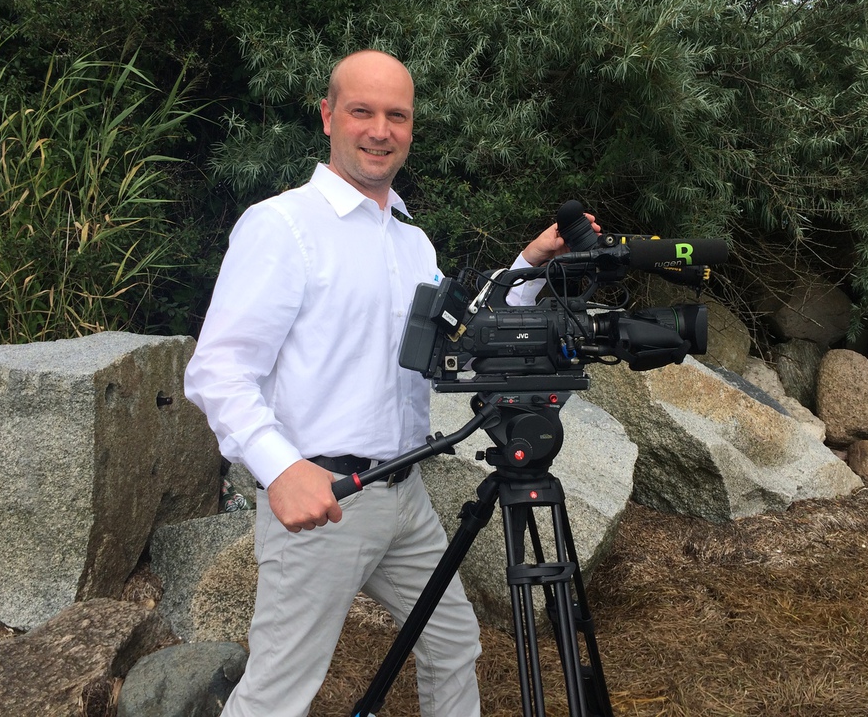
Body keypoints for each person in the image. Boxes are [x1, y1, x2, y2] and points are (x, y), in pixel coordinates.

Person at [185, 49, 597, 717]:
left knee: (453, 642)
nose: (380, 130)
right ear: (328, 116)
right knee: (278, 693)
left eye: (396, 116)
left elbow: (462, 330)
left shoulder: (410, 241)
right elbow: (218, 369)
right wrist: (279, 468)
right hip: (326, 499)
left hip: (406, 495)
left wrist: (530, 263)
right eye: (362, 111)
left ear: (410, 126)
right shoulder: (283, 226)